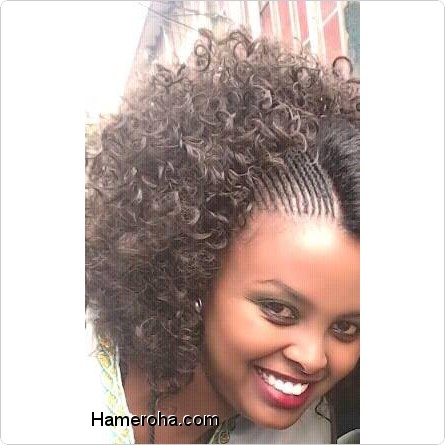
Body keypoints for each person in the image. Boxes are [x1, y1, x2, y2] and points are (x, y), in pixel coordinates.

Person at [85, 29, 360, 444]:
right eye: (278, 309)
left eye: (345, 328)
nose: (313, 358)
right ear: (193, 270)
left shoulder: (316, 428)